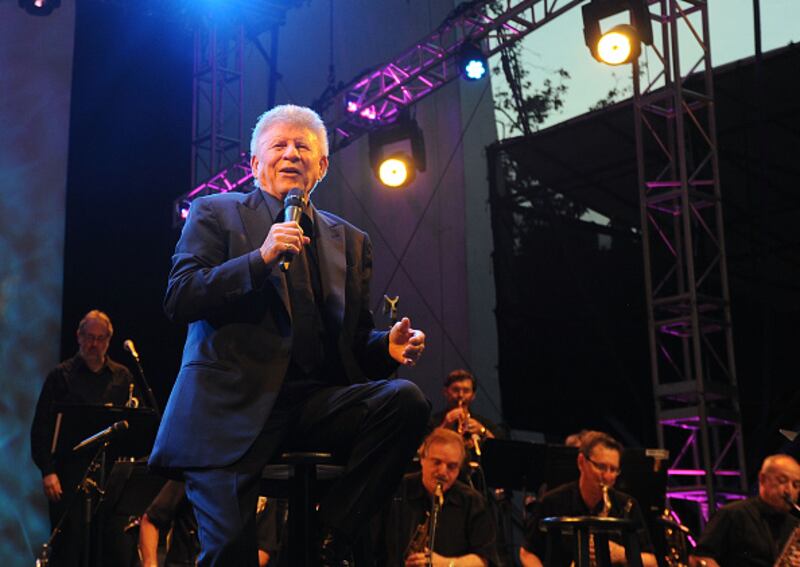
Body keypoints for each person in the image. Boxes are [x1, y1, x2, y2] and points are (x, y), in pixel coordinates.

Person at [149, 104, 431, 566]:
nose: (291, 153)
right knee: (230, 554)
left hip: (313, 407)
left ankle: (323, 542)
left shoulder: (350, 239)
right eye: (278, 144)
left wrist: (386, 346)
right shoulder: (216, 212)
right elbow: (180, 297)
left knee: (405, 401)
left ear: (322, 165)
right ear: (254, 163)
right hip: (231, 410)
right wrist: (259, 260)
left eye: (303, 146)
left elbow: (354, 343)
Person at [30, 309, 140, 566]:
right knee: (69, 550)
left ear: (108, 341)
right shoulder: (60, 376)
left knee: (110, 550)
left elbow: (134, 428)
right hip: (68, 477)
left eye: (100, 338)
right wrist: (48, 471)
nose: (94, 344)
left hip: (110, 479)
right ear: (78, 337)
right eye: (89, 337)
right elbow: (41, 428)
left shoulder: (122, 377)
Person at [520, 431, 657, 567]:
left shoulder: (627, 505)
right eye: (601, 467)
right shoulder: (553, 501)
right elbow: (527, 553)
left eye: (613, 469)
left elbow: (652, 561)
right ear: (581, 462)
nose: (607, 476)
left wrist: (622, 554)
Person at [382, 428, 499, 566]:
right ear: (422, 458)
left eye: (452, 466)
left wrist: (446, 564)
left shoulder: (472, 501)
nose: (443, 472)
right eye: (437, 462)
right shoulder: (396, 491)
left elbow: (484, 561)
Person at [689, 453, 800, 567]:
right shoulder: (733, 514)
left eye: (796, 485)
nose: (789, 490)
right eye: (782, 481)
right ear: (762, 479)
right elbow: (699, 558)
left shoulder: (794, 524)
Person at [138, 480, 283, 566]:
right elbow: (151, 520)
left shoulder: (261, 485)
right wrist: (150, 564)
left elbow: (264, 550)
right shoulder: (194, 469)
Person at [431, 369, 504, 446]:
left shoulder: (484, 423)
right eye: (455, 390)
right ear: (446, 392)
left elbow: (499, 449)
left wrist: (483, 431)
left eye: (466, 391)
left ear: (473, 395)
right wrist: (444, 426)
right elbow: (424, 448)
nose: (460, 395)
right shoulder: (433, 422)